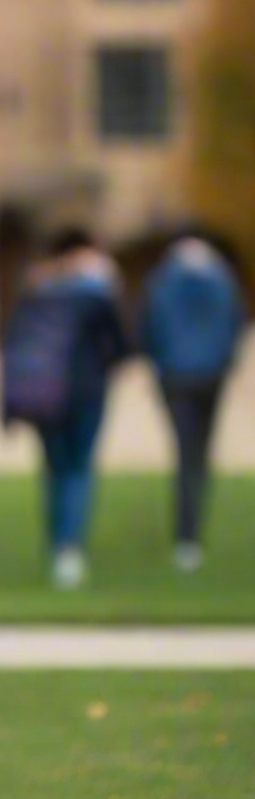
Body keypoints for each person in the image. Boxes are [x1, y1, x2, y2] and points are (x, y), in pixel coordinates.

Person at [1, 228, 130, 589]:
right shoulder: (94, 293)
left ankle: (57, 541)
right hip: (86, 392)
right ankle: (69, 550)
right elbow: (122, 344)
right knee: (78, 469)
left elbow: (14, 345)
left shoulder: (37, 290)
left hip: (43, 393)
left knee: (54, 469)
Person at [140, 230, 246, 572]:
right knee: (199, 453)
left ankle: (186, 538)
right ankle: (191, 534)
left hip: (175, 376)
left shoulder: (163, 281)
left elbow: (150, 327)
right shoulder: (222, 279)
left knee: (185, 453)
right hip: (210, 376)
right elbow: (235, 324)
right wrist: (227, 361)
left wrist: (157, 364)